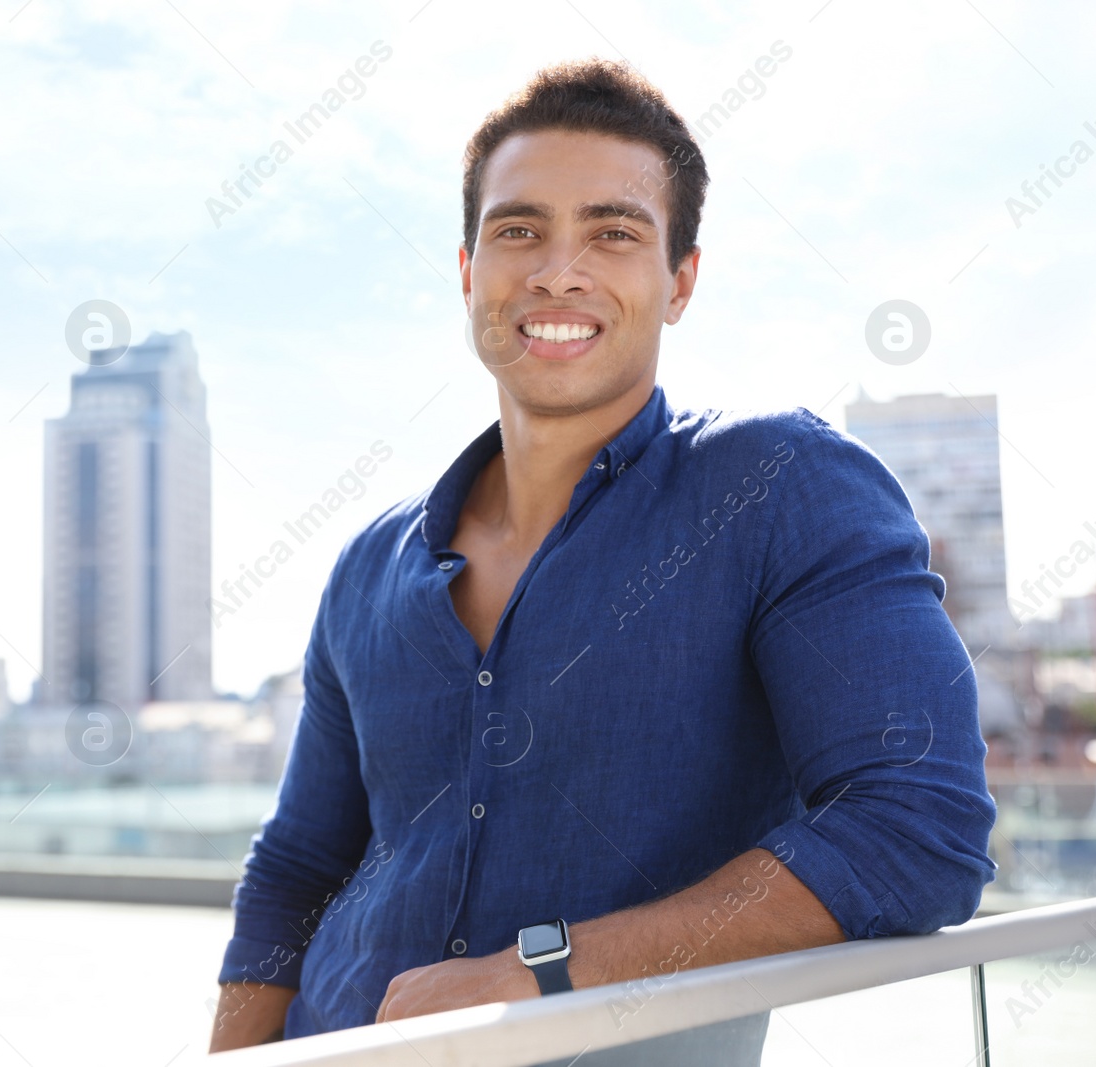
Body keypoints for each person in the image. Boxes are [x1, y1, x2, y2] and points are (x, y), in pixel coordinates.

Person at [207, 58, 995, 1064]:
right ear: (466, 270)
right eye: (518, 229)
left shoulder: (783, 487)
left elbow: (917, 830)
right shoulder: (368, 563)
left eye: (612, 233)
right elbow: (295, 866)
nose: (556, 271)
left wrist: (537, 972)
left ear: (679, 281)